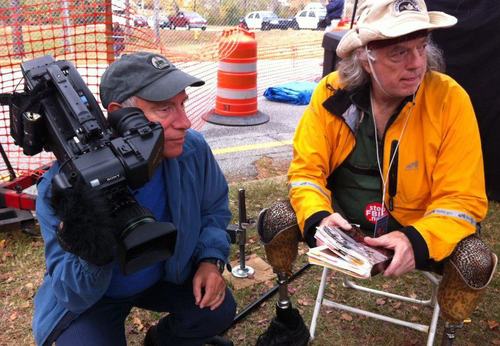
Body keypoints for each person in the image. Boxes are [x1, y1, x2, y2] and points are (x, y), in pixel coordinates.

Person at [287, 0, 496, 332]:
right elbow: (305, 173)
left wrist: (418, 241)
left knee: (475, 260)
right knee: (279, 219)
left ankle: (449, 332)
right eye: (399, 53)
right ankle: (286, 312)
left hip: (417, 226)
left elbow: (463, 200)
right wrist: (318, 219)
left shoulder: (449, 100)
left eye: (421, 47)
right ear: (366, 58)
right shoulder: (331, 93)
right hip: (345, 221)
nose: (416, 64)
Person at [32, 52, 236, 346]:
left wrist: (210, 260)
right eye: (165, 109)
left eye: (182, 104)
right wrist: (92, 250)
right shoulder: (63, 188)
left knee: (216, 311)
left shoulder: (192, 149)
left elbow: (214, 209)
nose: (186, 122)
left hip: (167, 275)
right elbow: (71, 292)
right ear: (120, 114)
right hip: (97, 297)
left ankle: (161, 341)